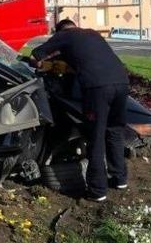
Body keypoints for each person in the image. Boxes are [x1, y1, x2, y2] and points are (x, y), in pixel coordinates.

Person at [31, 19, 129, 202]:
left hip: (97, 88)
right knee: (115, 131)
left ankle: (97, 191)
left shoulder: (64, 35)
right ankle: (119, 178)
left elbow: (36, 55)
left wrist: (44, 65)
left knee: (95, 137)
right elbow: (88, 58)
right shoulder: (92, 34)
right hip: (122, 82)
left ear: (59, 31)